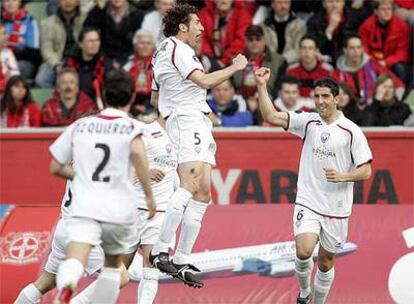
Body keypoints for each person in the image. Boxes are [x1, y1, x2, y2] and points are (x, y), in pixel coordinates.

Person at [149, 3, 247, 288]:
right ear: (182, 27)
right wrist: (235, 67)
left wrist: (189, 104)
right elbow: (203, 80)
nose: (202, 28)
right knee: (190, 187)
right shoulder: (178, 49)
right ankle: (159, 251)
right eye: (196, 23)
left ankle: (180, 258)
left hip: (193, 120)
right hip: (186, 122)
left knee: (203, 193)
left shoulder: (163, 52)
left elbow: (156, 98)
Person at [254, 68, 373, 304]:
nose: (320, 101)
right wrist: (260, 85)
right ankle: (304, 292)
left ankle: (318, 301)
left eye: (325, 96)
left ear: (337, 99)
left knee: (327, 261)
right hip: (308, 200)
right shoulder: (308, 122)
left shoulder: (351, 131)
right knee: (304, 251)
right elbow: (271, 116)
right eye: (316, 96)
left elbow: (366, 170)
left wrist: (343, 176)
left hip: (336, 207)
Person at [49, 70, 156, 304]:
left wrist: (83, 176)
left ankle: (65, 290)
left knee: (75, 260)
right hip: (112, 211)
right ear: (130, 99)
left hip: (82, 209)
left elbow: (55, 168)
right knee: (115, 273)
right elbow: (138, 155)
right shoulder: (130, 126)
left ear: (105, 95)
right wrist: (149, 197)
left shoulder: (81, 126)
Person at [69, 114, 179, 304]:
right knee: (118, 273)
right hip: (128, 212)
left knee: (147, 264)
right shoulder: (139, 137)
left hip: (156, 212)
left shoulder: (177, 139)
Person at [333, 34, 405, 107]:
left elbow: (398, 84)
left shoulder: (372, 65)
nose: (356, 51)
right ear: (345, 50)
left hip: (375, 107)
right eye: (352, 48)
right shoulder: (337, 74)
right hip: (351, 112)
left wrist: (393, 104)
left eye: (359, 47)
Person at [36, 0, 87, 88]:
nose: (68, 2)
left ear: (77, 2)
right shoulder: (47, 23)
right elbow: (46, 49)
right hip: (58, 58)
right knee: (42, 79)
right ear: (58, 2)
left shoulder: (85, 19)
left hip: (79, 58)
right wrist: (56, 64)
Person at [359, 0, 410, 84]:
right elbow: (364, 49)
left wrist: (386, 62)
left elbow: (402, 52)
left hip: (393, 61)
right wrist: (374, 62)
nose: (387, 12)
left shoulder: (402, 27)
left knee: (400, 69)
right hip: (373, 60)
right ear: (376, 11)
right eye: (383, 9)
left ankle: (402, 92)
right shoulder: (366, 26)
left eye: (389, 9)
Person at [83, 0, 144, 67]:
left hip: (130, 60)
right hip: (103, 59)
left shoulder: (138, 15)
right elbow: (87, 33)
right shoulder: (99, 12)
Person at [233, 24, 284, 100]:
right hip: (240, 99)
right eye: (251, 39)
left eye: (258, 39)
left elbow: (278, 87)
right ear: (245, 41)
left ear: (264, 40)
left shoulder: (279, 61)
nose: (254, 43)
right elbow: (233, 86)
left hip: (268, 99)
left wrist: (259, 99)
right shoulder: (236, 60)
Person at [65, 27, 112, 106]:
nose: (94, 44)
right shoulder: (70, 64)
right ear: (81, 44)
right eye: (90, 41)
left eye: (97, 40)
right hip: (74, 106)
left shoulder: (106, 65)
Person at [198, 0, 251, 70]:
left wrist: (224, 61)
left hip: (234, 59)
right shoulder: (204, 14)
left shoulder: (243, 14)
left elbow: (241, 41)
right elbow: (201, 38)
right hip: (210, 59)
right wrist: (210, 58)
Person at [1, 0, 41, 79]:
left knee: (13, 70)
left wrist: (14, 45)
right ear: (2, 3)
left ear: (20, 2)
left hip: (23, 61)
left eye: (14, 0)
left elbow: (34, 53)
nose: (10, 3)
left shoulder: (30, 21)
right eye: (7, 1)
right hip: (2, 58)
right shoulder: (1, 20)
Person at [260, 0, 306, 65]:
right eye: (279, 2)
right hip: (269, 63)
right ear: (272, 5)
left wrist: (282, 59)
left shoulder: (300, 25)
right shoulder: (263, 26)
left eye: (286, 2)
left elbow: (299, 49)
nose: (283, 6)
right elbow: (262, 49)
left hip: (292, 63)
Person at [124, 29, 156, 117]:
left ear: (153, 46)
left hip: (155, 108)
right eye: (142, 43)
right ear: (136, 46)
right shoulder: (128, 65)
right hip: (131, 109)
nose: (145, 46)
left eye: (148, 43)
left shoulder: (159, 65)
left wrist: (148, 106)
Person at [0, 22, 19, 93]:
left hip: (7, 92)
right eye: (4, 33)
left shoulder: (8, 52)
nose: (8, 36)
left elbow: (15, 74)